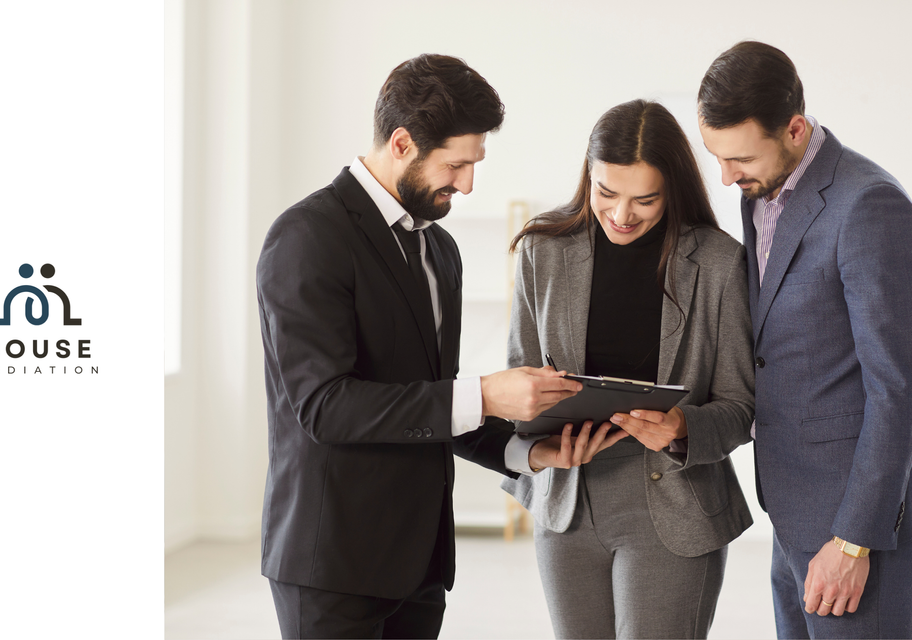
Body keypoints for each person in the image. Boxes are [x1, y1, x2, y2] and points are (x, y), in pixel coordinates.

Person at [255, 53, 597, 640]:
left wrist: (527, 454)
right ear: (403, 143)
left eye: (474, 165)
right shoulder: (307, 237)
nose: (466, 183)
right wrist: (487, 394)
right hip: (331, 564)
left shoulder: (440, 251)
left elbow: (430, 398)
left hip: (420, 565)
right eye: (456, 164)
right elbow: (326, 408)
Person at [695, 41, 912, 639]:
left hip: (856, 523)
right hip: (793, 511)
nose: (727, 176)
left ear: (796, 129)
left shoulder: (869, 205)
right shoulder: (760, 193)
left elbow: (897, 386)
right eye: (718, 158)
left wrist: (853, 541)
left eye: (739, 158)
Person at [501, 99, 757, 639]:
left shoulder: (718, 264)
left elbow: (741, 405)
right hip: (566, 502)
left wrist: (684, 428)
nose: (621, 215)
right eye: (606, 193)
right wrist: (531, 451)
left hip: (672, 506)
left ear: (674, 190)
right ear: (586, 178)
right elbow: (515, 384)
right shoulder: (541, 251)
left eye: (645, 199)